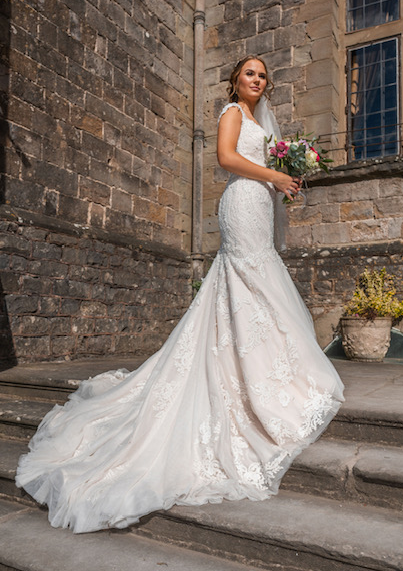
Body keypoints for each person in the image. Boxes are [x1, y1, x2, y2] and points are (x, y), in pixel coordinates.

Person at [16, 55, 345, 534]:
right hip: (240, 203)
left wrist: (283, 182)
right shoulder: (231, 114)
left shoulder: (263, 120)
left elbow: (259, 163)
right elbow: (227, 160)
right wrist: (274, 176)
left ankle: (261, 370)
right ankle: (246, 378)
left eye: (263, 75)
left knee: (261, 285)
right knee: (248, 279)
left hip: (259, 203)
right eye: (250, 73)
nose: (259, 79)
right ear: (235, 82)